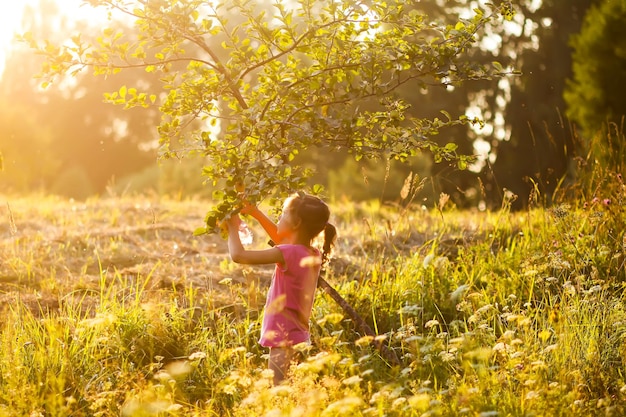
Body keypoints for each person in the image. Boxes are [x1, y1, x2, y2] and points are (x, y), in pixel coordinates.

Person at [225, 191, 337, 385]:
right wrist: (255, 212)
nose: (280, 216)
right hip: (299, 336)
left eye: (284, 213)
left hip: (283, 338)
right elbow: (281, 239)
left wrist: (232, 227)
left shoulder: (288, 253)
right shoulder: (312, 253)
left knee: (278, 395)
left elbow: (239, 256)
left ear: (296, 223)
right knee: (293, 393)